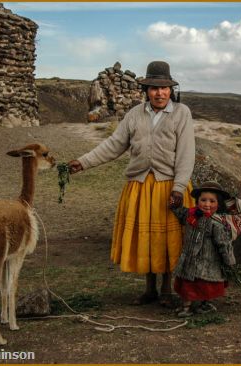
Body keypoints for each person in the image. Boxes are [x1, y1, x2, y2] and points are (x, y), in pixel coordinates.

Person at [68, 61, 195, 306]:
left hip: (168, 187)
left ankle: (167, 290)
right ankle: (150, 290)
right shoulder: (135, 114)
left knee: (167, 240)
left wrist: (179, 187)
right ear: (146, 90)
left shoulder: (182, 114)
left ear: (171, 90)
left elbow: (186, 155)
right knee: (146, 239)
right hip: (139, 187)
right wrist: (83, 162)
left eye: (164, 88)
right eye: (154, 88)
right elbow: (113, 145)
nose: (160, 93)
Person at [169, 181, 236, 317]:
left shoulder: (217, 224)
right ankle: (186, 307)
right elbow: (180, 213)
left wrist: (229, 261)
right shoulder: (191, 215)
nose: (207, 204)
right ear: (197, 200)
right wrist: (174, 206)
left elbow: (223, 243)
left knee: (206, 284)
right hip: (189, 259)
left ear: (218, 204)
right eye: (203, 200)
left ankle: (204, 304)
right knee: (187, 285)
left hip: (208, 261)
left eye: (212, 201)